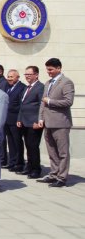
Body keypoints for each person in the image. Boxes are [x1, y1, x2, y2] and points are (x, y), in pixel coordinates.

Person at [37, 58, 75, 187]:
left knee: (62, 152)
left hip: (60, 123)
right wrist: (41, 118)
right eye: (47, 69)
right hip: (47, 122)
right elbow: (43, 102)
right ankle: (54, 173)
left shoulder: (66, 82)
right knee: (52, 151)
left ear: (59, 68)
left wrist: (50, 101)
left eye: (51, 69)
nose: (48, 72)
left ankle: (62, 177)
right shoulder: (48, 83)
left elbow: (68, 101)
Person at [16, 66, 44, 179]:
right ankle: (29, 167)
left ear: (36, 75)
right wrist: (19, 118)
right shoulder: (26, 88)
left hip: (34, 123)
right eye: (26, 74)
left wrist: (38, 121)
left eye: (29, 74)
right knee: (28, 145)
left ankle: (36, 169)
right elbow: (22, 105)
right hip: (24, 121)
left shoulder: (40, 87)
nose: (27, 76)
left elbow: (42, 106)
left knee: (33, 146)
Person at [3, 69, 26, 172]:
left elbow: (21, 105)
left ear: (17, 77)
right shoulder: (8, 87)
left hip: (16, 119)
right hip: (7, 119)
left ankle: (19, 163)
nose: (9, 79)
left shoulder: (22, 87)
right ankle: (12, 162)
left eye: (11, 77)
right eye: (8, 76)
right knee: (10, 142)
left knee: (17, 142)